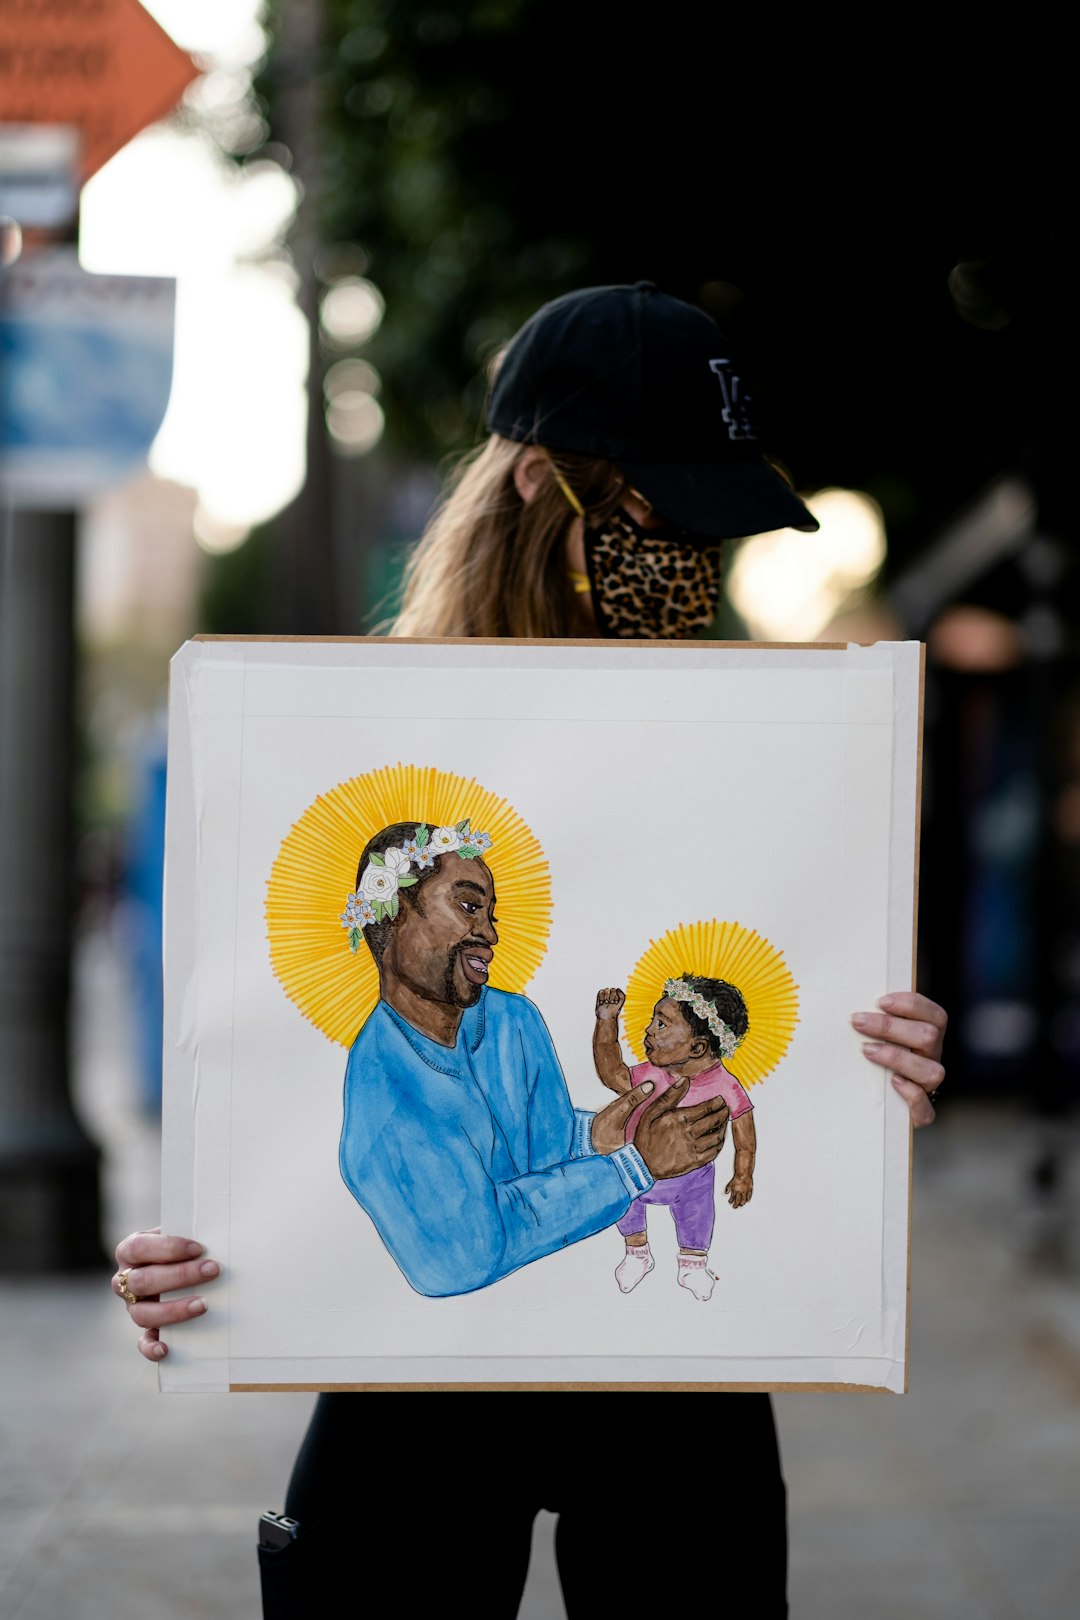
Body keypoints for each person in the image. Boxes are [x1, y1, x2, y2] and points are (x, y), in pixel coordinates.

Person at [113, 283, 947, 1619]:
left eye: (713, 534)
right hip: (417, 1379)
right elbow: (378, 1181)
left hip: (682, 1378)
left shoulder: (747, 768)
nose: (696, 567)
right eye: (662, 519)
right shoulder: (345, 748)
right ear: (545, 492)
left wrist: (875, 1062)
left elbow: (559, 1133)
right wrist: (208, 1233)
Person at [338, 820, 728, 1295]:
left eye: (491, 915)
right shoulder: (382, 1088)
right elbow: (464, 1258)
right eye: (468, 907)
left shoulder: (512, 1018)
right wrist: (634, 1165)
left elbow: (542, 1146)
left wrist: (599, 1135)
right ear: (396, 911)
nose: (489, 934)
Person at [593, 976, 755, 1301]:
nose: (649, 1030)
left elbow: (745, 1136)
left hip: (692, 1180)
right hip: (635, 1169)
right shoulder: (651, 1074)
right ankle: (637, 1253)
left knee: (698, 1215)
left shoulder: (725, 1086)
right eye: (654, 1020)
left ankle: (693, 1263)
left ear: (697, 1047)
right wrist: (606, 1022)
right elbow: (612, 1073)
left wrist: (742, 1176)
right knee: (624, 1203)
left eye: (662, 1024)